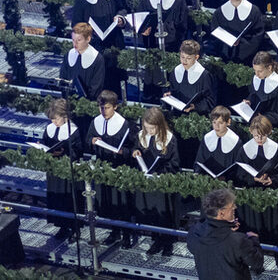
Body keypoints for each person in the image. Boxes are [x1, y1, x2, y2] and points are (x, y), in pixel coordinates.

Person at [234, 116, 278, 254]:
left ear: (269, 132)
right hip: (252, 197)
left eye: (263, 136)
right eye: (256, 136)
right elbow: (239, 174)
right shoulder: (244, 149)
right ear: (250, 131)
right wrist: (253, 180)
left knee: (276, 229)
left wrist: (273, 180)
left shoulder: (277, 149)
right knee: (253, 229)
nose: (259, 139)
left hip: (272, 196)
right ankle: (255, 258)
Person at [89, 90, 136, 247]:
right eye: (101, 107)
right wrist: (92, 141)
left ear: (115, 107)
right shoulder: (96, 121)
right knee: (109, 203)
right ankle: (115, 231)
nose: (103, 111)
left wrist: (123, 152)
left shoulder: (124, 124)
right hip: (103, 168)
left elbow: (133, 149)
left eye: (107, 108)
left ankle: (127, 235)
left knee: (122, 203)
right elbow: (87, 141)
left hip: (120, 169)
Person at [187, 188, 264, 280]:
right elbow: (257, 262)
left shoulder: (194, 231)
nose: (235, 207)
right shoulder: (238, 240)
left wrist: (227, 228)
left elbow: (203, 247)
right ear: (221, 213)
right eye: (231, 206)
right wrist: (253, 239)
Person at [133, 107, 180, 256]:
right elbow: (136, 149)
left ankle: (167, 243)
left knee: (163, 214)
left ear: (159, 125)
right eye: (146, 128)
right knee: (152, 213)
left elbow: (174, 163)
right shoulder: (142, 136)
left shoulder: (170, 139)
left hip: (162, 184)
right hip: (148, 183)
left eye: (152, 128)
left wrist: (160, 173)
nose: (149, 131)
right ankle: (156, 241)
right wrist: (136, 152)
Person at [72, 0, 127, 66]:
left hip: (114, 41)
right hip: (93, 44)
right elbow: (76, 23)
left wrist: (120, 18)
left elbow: (122, 8)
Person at [41, 99, 83, 241]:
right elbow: (46, 144)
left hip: (68, 172)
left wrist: (64, 154)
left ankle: (75, 228)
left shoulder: (74, 130)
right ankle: (62, 226)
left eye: (57, 119)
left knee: (70, 200)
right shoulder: (50, 129)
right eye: (52, 120)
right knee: (57, 199)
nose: (54, 123)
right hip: (54, 171)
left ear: (65, 116)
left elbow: (78, 151)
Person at [211, 0, 265, 64]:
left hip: (248, 59)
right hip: (226, 58)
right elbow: (215, 34)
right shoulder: (219, 13)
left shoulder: (254, 11)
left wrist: (242, 44)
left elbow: (258, 35)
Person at [165, 39, 216, 115]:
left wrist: (195, 106)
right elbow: (173, 90)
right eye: (182, 57)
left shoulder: (204, 75)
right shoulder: (176, 71)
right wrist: (169, 95)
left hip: (196, 117)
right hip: (177, 114)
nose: (184, 61)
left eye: (188, 58)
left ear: (196, 57)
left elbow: (210, 101)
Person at [245, 52, 278, 128]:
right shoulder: (256, 78)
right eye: (255, 70)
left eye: (260, 71)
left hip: (271, 127)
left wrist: (264, 118)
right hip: (256, 125)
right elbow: (253, 95)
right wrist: (249, 101)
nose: (256, 74)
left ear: (269, 68)